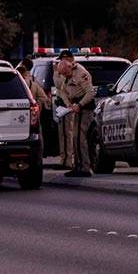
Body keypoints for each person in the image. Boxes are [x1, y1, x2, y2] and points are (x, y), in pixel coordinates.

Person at [53, 50, 95, 178]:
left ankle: (85, 167)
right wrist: (69, 105)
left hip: (85, 107)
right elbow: (62, 90)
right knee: (75, 137)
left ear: (70, 67)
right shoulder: (67, 76)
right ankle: (77, 165)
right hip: (76, 106)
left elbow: (90, 92)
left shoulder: (81, 73)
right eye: (63, 74)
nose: (64, 76)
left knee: (80, 137)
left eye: (65, 73)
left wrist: (80, 105)